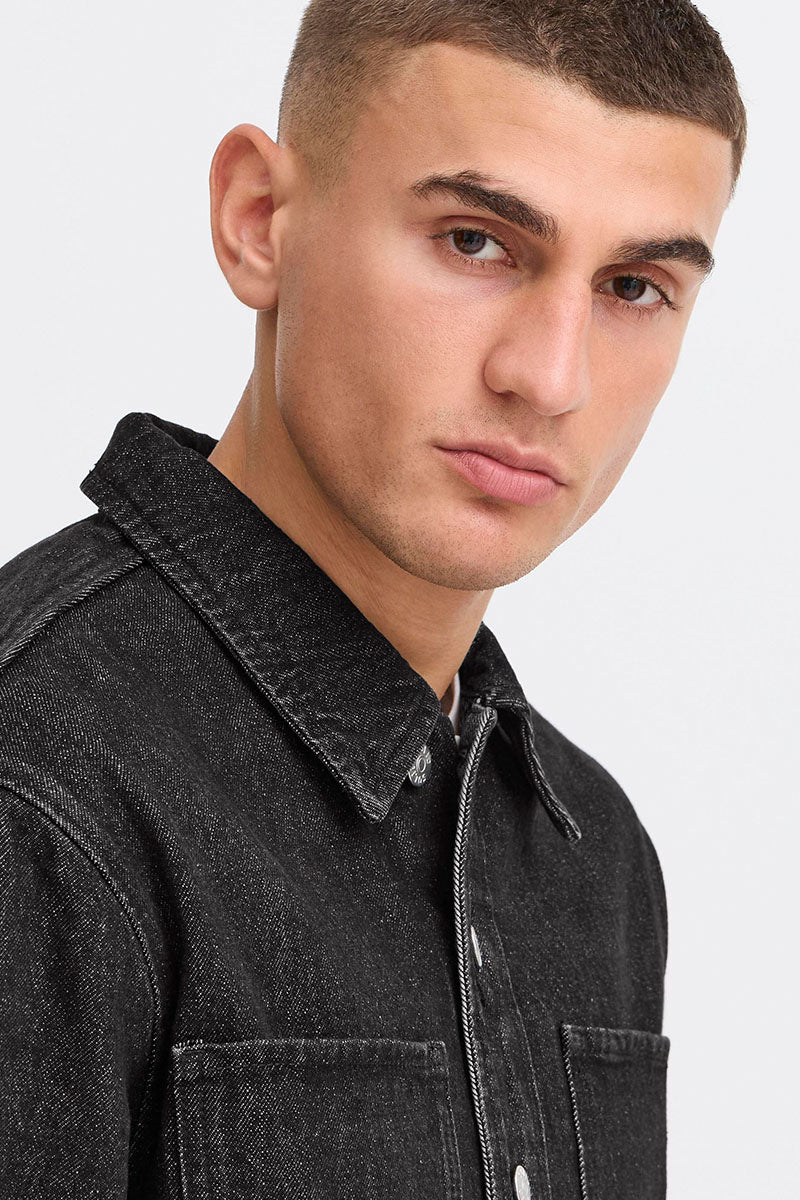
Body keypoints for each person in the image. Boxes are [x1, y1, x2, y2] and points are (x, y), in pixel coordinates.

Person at [0, 1, 745, 1196]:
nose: (548, 377)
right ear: (258, 220)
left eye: (632, 285)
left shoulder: (591, 857)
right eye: (474, 242)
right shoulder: (39, 780)